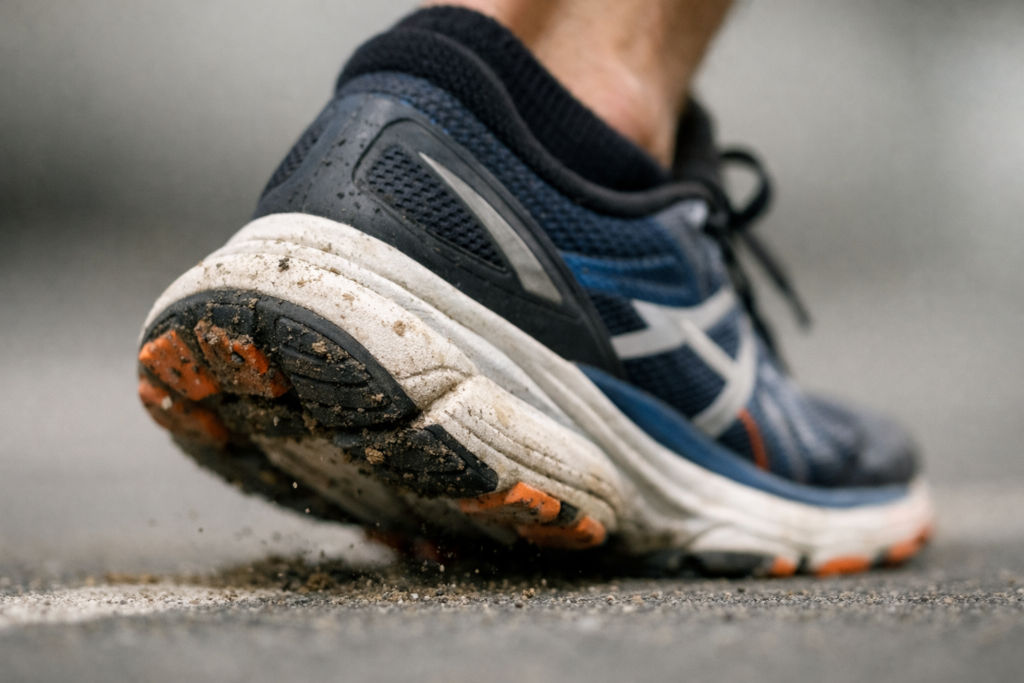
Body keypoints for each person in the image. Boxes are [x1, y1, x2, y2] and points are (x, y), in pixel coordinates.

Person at [136, 0, 932, 576]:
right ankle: (598, 149)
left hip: (376, 146)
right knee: (607, 81)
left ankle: (424, 118)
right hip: (539, 219)